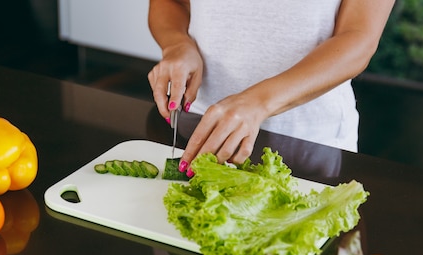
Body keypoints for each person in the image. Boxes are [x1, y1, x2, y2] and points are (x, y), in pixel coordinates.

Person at [147, 0, 395, 176]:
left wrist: (257, 102)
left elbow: (359, 37)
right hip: (198, 132)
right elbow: (171, 2)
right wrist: (177, 45)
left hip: (308, 145)